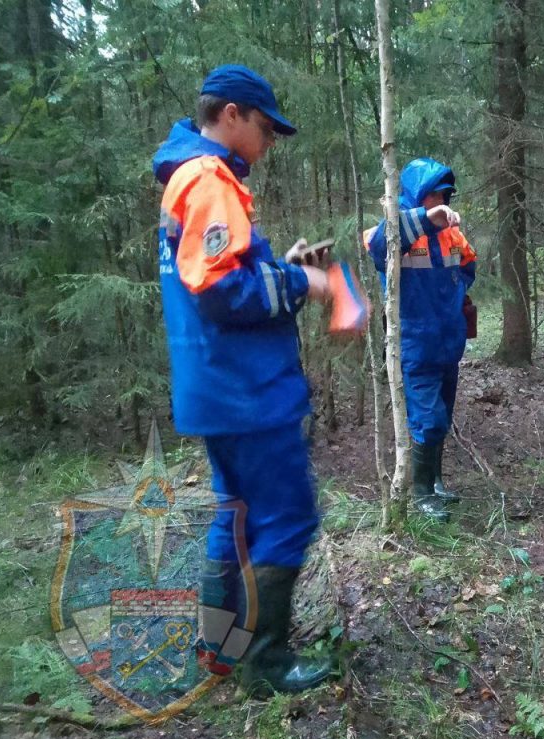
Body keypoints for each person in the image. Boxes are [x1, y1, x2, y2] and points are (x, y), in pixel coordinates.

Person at [152, 64, 368, 695]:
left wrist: (285, 266)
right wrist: (310, 281)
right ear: (231, 116)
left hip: (216, 386)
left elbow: (218, 276)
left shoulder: (184, 178)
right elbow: (223, 294)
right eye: (266, 127)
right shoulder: (209, 180)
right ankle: (265, 665)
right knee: (288, 516)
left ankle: (220, 649)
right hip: (248, 391)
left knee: (235, 516)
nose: (270, 141)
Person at [363, 158, 476, 522]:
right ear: (416, 196)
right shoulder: (396, 232)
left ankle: (437, 480)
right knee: (426, 419)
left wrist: (457, 297)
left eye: (444, 195)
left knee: (441, 415)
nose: (440, 202)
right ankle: (421, 493)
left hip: (448, 342)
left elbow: (468, 269)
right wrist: (425, 220)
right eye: (433, 195)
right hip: (415, 343)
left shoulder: (453, 234)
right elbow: (380, 247)